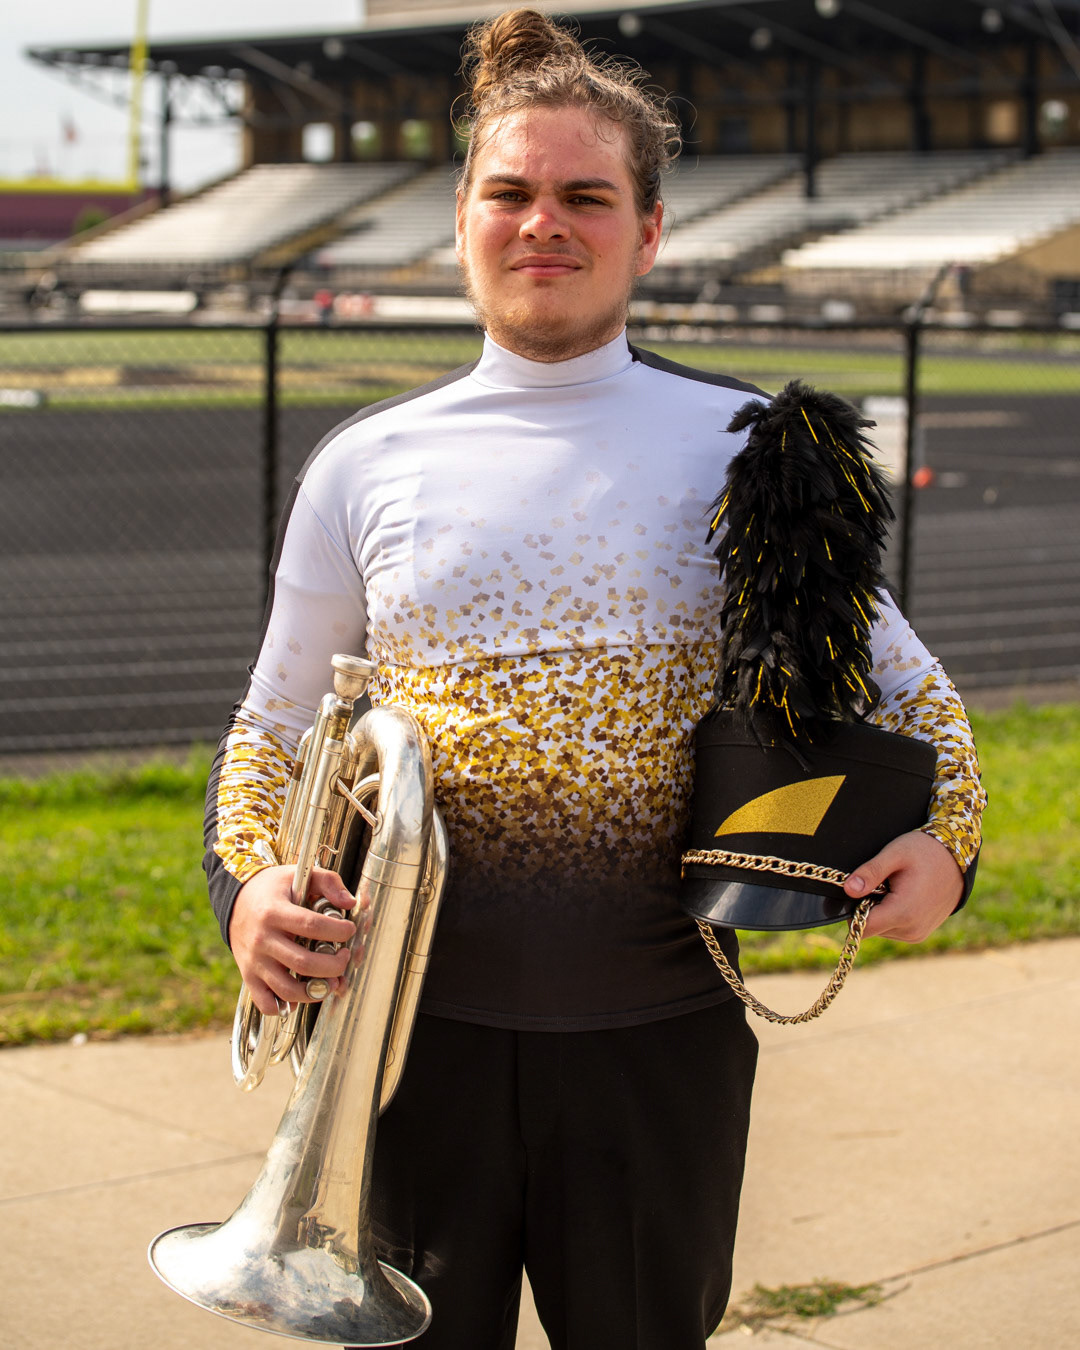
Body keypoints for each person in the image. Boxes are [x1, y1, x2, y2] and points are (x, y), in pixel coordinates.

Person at [204, 10, 986, 1347]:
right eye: (510, 192)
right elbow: (273, 726)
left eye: (587, 196)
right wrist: (247, 890)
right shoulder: (362, 465)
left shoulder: (751, 447)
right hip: (405, 1051)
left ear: (650, 230)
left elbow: (918, 700)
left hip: (659, 1046)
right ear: (463, 217)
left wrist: (949, 844)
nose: (543, 224)